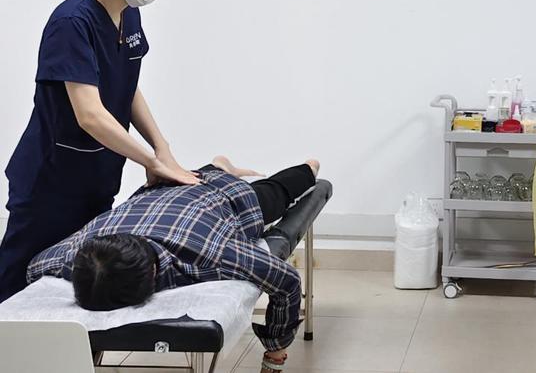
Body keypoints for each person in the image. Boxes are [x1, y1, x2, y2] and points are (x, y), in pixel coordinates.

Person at [0, 0, 198, 303]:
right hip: (51, 179)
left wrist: (162, 148)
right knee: (17, 281)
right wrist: (151, 161)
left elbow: (125, 82)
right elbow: (89, 115)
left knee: (82, 281)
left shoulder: (128, 12)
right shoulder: (71, 23)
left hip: (98, 175)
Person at [26, 155, 320, 373]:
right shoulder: (82, 255)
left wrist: (275, 349)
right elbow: (35, 266)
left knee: (281, 188)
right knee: (206, 173)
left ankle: (306, 167)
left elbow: (287, 281)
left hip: (224, 194)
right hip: (163, 187)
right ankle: (219, 165)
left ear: (153, 273)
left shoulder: (210, 253)